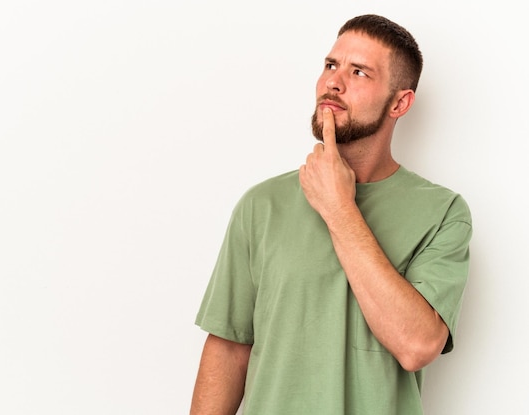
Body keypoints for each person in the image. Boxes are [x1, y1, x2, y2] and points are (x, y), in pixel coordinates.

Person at [190, 14, 472, 415]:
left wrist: (339, 208)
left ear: (400, 102)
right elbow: (228, 348)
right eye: (330, 65)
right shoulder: (261, 205)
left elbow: (417, 346)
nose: (333, 83)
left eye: (359, 72)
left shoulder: (443, 213)